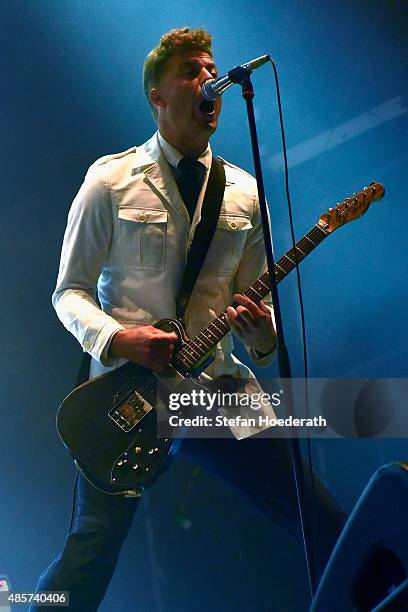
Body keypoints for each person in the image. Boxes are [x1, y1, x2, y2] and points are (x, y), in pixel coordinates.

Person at [30, 27, 346, 611]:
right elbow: (67, 293)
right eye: (192, 72)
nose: (210, 80)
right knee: (92, 547)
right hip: (130, 395)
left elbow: (262, 314)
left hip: (214, 389)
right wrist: (119, 338)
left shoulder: (245, 194)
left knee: (312, 510)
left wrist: (265, 335)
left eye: (211, 70)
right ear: (157, 96)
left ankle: (383, 595)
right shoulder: (110, 181)